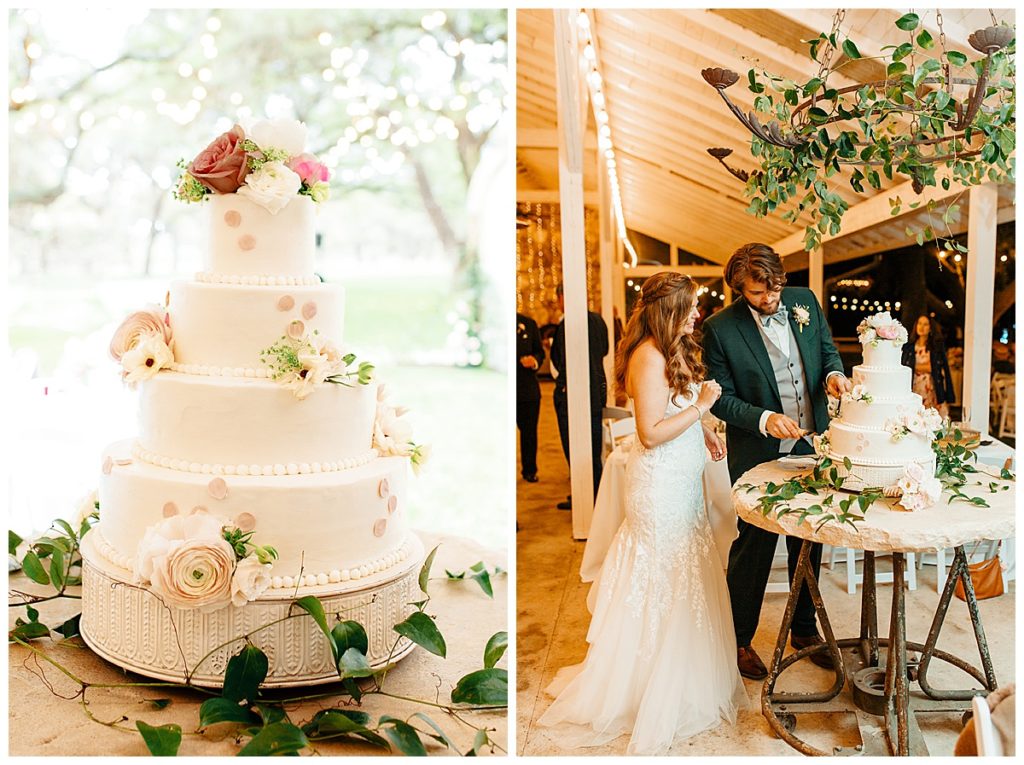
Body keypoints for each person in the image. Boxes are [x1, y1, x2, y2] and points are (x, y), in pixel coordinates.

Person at [537, 272, 745, 754]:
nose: (698, 313)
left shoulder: (671, 350)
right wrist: (703, 409)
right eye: (691, 306)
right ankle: (645, 682)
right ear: (669, 309)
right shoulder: (647, 356)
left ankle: (687, 672)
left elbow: (678, 410)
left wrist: (705, 430)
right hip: (660, 490)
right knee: (663, 575)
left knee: (686, 572)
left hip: (682, 484)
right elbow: (650, 433)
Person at [702, 243, 852, 681]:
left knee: (810, 538)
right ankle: (738, 639)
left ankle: (804, 630)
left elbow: (827, 352)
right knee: (755, 545)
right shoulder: (720, 329)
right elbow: (722, 401)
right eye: (758, 294)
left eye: (775, 289)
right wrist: (765, 420)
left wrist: (834, 375)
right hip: (759, 454)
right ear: (738, 289)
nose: (771, 299)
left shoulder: (804, 301)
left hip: (814, 445)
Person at [549, 284, 609, 510]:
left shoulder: (566, 325)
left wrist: (563, 386)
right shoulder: (598, 321)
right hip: (596, 393)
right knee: (593, 449)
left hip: (573, 395)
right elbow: (604, 349)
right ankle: (597, 498)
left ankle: (585, 500)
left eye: (559, 298)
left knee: (574, 448)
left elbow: (559, 360)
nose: (558, 303)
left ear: (564, 296)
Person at [901, 315, 954, 418]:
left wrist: (915, 366)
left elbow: (931, 368)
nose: (922, 327)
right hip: (914, 385)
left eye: (925, 324)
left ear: (930, 328)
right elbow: (905, 367)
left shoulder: (935, 346)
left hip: (931, 387)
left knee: (931, 417)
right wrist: (921, 366)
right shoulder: (909, 346)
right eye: (920, 323)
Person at [517, 312, 545, 483]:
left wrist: (534, 360)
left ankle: (529, 469)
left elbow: (539, 352)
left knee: (529, 433)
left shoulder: (529, 323)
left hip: (527, 391)